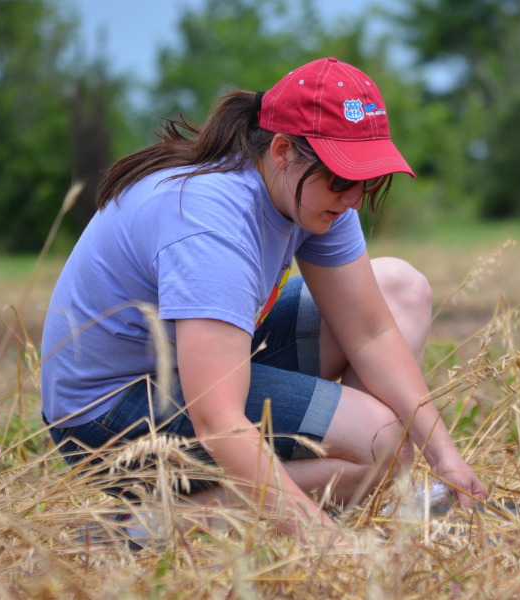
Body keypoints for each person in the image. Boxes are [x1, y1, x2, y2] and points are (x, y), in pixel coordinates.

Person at [41, 57, 487, 540]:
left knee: (402, 288)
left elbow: (372, 331)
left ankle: (353, 478)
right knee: (382, 444)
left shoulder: (312, 197)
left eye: (368, 179)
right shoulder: (212, 219)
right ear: (281, 150)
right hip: (105, 416)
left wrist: (446, 457)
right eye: (342, 177)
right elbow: (217, 417)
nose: (355, 198)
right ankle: (156, 524)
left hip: (193, 365)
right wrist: (323, 541)